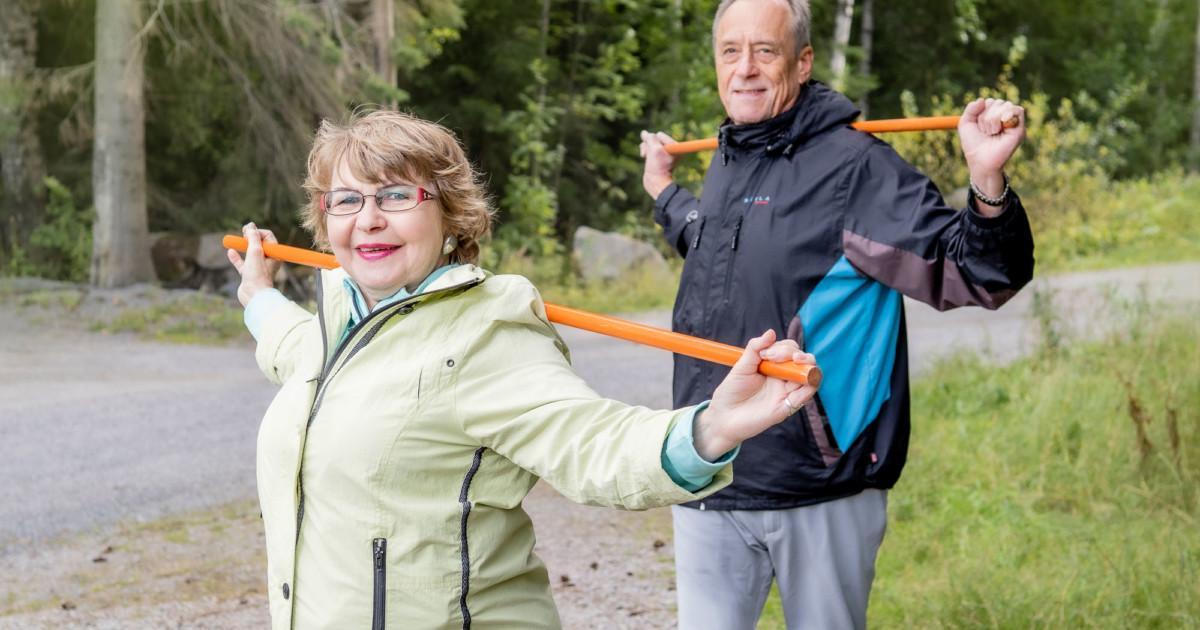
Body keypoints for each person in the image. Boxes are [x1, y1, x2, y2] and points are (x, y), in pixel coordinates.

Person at [225, 109, 820, 629]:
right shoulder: (337, 321)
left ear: (451, 214)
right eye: (347, 200)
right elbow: (297, 348)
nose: (370, 218)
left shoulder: (486, 333)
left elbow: (590, 440)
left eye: (397, 196)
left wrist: (711, 429)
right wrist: (260, 298)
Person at [637, 0, 1035, 628]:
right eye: (730, 51)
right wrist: (664, 192)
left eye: (764, 51)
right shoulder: (730, 155)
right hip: (711, 469)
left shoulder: (856, 167)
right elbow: (718, 248)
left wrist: (986, 181)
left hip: (818, 483)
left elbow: (976, 275)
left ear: (802, 61)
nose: (745, 68)